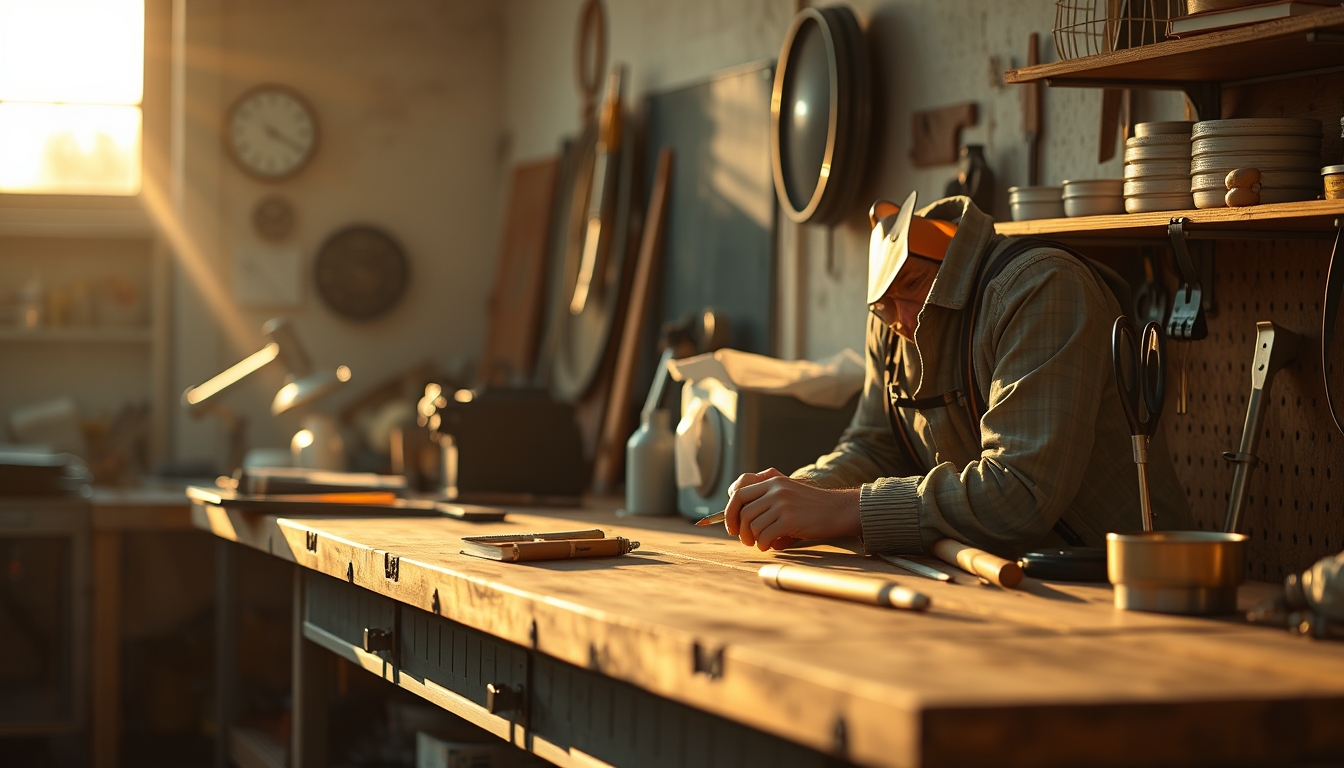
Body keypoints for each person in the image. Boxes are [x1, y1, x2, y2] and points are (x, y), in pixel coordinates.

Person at [723, 191, 1191, 555]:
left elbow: (1019, 492)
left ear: (950, 259)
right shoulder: (890, 321)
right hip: (1012, 584)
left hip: (1125, 581)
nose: (903, 319)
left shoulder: (1040, 288)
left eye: (914, 284)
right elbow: (874, 445)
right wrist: (795, 497)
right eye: (884, 307)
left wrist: (847, 509)